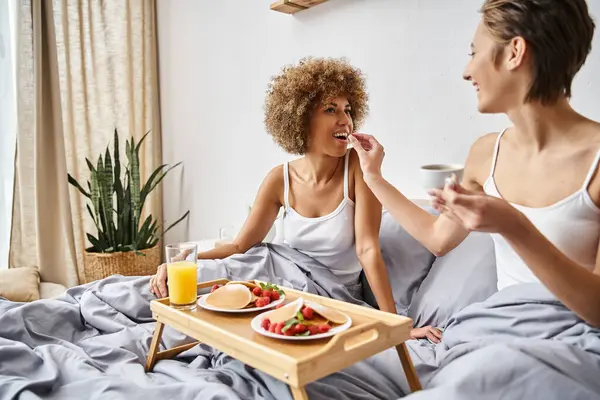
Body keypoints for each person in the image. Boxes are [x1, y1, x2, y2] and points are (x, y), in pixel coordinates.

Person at [349, 0, 600, 333]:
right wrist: (374, 177)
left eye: (473, 53)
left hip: (570, 342)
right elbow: (438, 239)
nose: (467, 72)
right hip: (496, 330)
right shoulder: (485, 154)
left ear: (514, 52)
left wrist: (514, 225)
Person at [149, 57, 444, 339]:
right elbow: (241, 245)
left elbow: (368, 250)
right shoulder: (279, 178)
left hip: (331, 296)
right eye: (331, 109)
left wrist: (396, 325)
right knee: (202, 280)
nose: (345, 120)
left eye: (348, 109)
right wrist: (188, 260)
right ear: (301, 119)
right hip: (281, 280)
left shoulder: (357, 168)